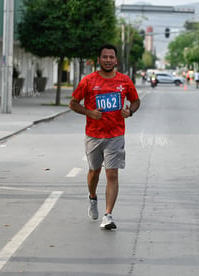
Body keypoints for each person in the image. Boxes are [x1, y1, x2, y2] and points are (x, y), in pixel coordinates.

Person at [69, 44, 140, 230]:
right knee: (94, 172)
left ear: (116, 60)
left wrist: (129, 111)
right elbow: (73, 103)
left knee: (112, 174)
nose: (108, 60)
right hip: (93, 135)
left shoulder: (124, 81)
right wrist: (89, 112)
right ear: (99, 60)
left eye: (111, 57)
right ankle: (92, 197)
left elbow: (136, 101)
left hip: (116, 135)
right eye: (105, 57)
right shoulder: (88, 81)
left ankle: (108, 215)